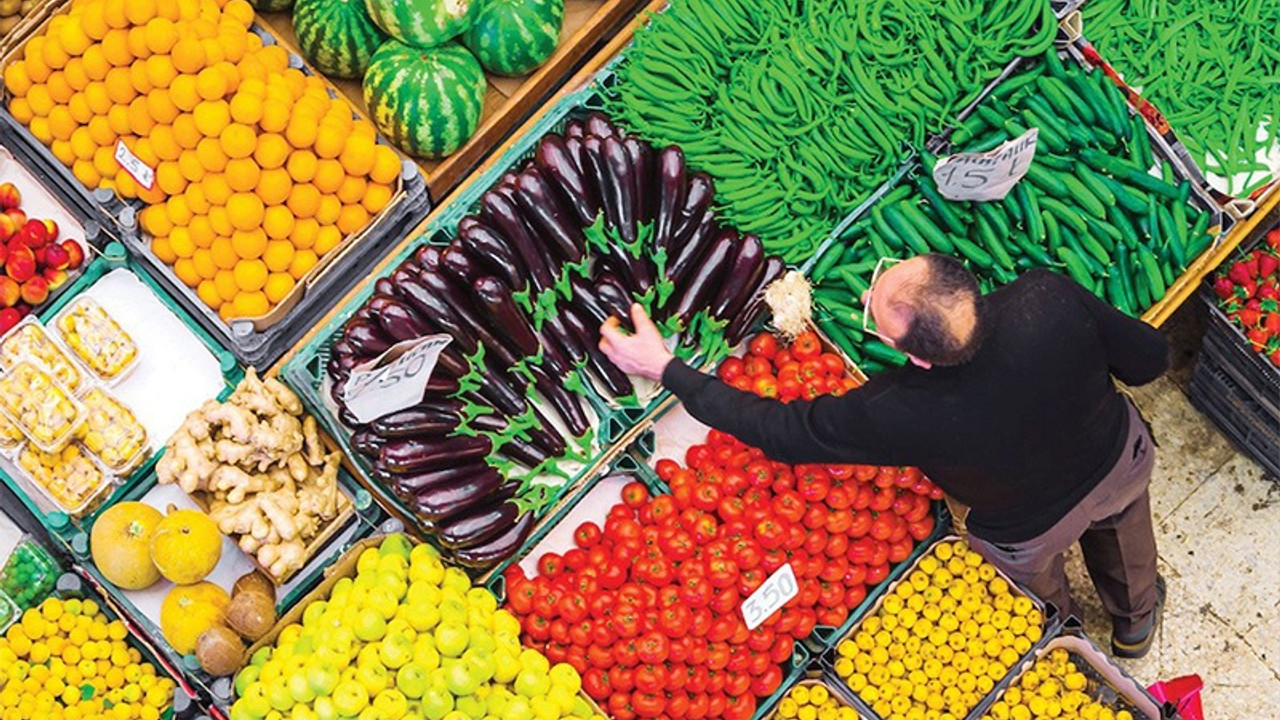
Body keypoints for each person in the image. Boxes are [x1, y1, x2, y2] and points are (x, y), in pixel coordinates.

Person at [598, 254, 1168, 659]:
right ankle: (1135, 622)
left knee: (1037, 592)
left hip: (1028, 529)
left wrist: (666, 369)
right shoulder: (1047, 296)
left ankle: (1064, 639)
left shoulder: (898, 407)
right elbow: (1149, 359)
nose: (867, 297)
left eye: (878, 304)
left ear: (915, 358)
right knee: (1125, 530)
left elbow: (780, 431)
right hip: (1117, 458)